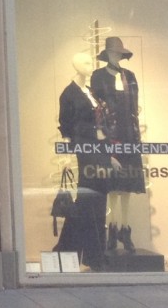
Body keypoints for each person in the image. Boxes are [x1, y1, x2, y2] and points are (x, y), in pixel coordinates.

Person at [90, 36, 144, 254]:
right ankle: (112, 228)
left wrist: (136, 134)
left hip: (129, 134)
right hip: (110, 134)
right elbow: (96, 107)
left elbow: (135, 106)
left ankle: (125, 228)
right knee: (112, 184)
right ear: (107, 54)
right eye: (113, 52)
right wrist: (100, 134)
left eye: (119, 53)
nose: (116, 56)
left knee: (127, 183)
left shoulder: (129, 76)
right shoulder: (98, 76)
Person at [56, 51, 110, 270]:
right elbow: (65, 126)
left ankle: (78, 253)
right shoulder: (68, 94)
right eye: (87, 62)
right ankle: (86, 255)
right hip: (85, 149)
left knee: (97, 200)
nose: (91, 65)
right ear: (77, 66)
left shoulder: (91, 92)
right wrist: (67, 156)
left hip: (101, 148)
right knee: (88, 199)